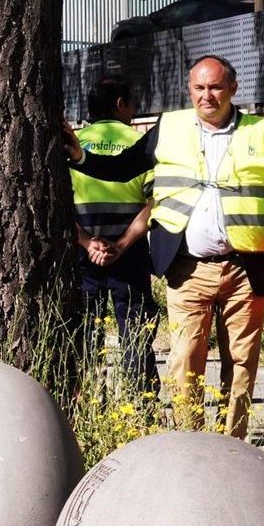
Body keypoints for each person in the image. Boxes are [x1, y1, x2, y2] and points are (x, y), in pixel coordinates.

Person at [65, 54, 264, 439]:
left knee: (240, 364)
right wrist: (80, 156)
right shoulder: (170, 128)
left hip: (243, 266)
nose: (207, 96)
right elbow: (123, 168)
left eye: (216, 87)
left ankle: (232, 447)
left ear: (233, 89)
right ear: (190, 91)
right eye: (199, 88)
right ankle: (190, 445)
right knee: (185, 362)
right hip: (188, 268)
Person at [69, 76, 157, 389]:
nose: (134, 111)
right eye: (133, 104)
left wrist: (87, 242)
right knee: (136, 327)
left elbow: (58, 203)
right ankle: (140, 400)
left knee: (86, 330)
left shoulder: (72, 143)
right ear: (120, 104)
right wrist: (120, 245)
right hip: (129, 251)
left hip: (82, 252)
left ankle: (91, 397)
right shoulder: (140, 143)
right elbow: (154, 203)